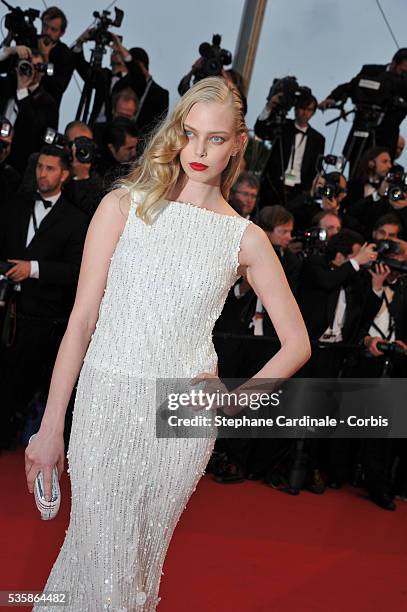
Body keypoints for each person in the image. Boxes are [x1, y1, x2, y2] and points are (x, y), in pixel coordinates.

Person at [25, 77, 310, 611]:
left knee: (136, 568)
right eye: (190, 133)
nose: (199, 151)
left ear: (239, 144)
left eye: (217, 139)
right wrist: (50, 426)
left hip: (180, 420)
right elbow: (82, 320)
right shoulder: (121, 206)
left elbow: (296, 343)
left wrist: (231, 398)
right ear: (176, 132)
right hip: (105, 403)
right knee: (102, 559)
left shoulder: (244, 238)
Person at [0, 146, 88, 449]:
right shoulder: (15, 205)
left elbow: (77, 272)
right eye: (40, 167)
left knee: (22, 381)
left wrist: (33, 269)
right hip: (6, 307)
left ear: (65, 174)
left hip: (43, 318)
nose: (42, 173)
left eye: (50, 168)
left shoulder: (76, 220)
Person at [254, 91, 325, 207]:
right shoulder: (283, 126)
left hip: (299, 191)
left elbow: (317, 167)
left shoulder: (318, 139)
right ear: (295, 108)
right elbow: (260, 131)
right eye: (302, 108)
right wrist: (269, 106)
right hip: (274, 185)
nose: (305, 113)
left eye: (309, 109)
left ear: (313, 112)